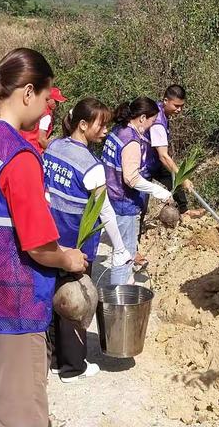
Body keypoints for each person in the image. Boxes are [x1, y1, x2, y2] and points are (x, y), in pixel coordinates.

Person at [0, 48, 87, 427]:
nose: (45, 109)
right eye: (45, 97)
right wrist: (68, 258)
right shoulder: (18, 157)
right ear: (27, 93)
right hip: (5, 311)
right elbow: (39, 246)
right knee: (21, 417)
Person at [43, 97, 132, 382]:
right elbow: (104, 211)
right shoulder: (92, 166)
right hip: (78, 245)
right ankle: (73, 367)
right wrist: (120, 248)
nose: (105, 130)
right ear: (83, 125)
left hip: (50, 241)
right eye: (101, 124)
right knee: (76, 303)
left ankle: (56, 359)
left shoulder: (55, 147)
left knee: (56, 299)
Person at [102, 97, 173, 283]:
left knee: (120, 249)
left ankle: (122, 288)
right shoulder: (131, 141)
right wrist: (158, 191)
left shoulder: (117, 130)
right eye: (151, 121)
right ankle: (120, 299)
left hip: (111, 197)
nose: (151, 126)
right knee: (123, 255)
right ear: (142, 118)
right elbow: (131, 178)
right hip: (125, 202)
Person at [137, 85, 204, 264]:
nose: (179, 109)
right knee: (141, 202)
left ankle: (185, 210)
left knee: (172, 177)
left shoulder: (161, 112)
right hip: (144, 165)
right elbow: (163, 155)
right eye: (176, 106)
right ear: (165, 101)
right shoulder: (158, 121)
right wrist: (184, 178)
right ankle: (133, 247)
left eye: (182, 106)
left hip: (154, 161)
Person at [21, 86, 67, 154]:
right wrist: (55, 152)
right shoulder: (46, 116)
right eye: (56, 101)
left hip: (22, 145)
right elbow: (41, 140)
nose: (57, 104)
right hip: (33, 150)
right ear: (48, 99)